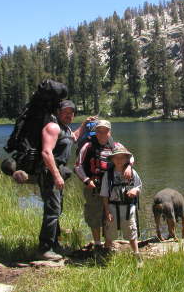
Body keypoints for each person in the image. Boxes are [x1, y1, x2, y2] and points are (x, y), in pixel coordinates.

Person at [38, 99, 95, 260]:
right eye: (65, 112)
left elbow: (74, 138)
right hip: (50, 174)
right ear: (58, 112)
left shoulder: (65, 129)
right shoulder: (53, 127)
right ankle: (45, 248)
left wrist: (84, 125)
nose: (69, 115)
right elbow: (46, 153)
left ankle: (54, 244)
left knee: (57, 209)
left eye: (71, 112)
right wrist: (56, 175)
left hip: (58, 173)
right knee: (52, 211)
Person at [74, 119, 133, 249]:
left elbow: (130, 156)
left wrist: (128, 166)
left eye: (105, 131)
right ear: (95, 132)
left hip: (111, 188)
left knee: (109, 214)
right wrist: (86, 180)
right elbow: (78, 166)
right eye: (99, 131)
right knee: (94, 214)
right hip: (93, 187)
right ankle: (97, 244)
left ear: (109, 132)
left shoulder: (116, 145)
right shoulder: (88, 146)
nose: (102, 134)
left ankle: (108, 242)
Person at [100, 146, 142, 258]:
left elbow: (139, 187)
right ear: (112, 159)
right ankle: (106, 254)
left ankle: (136, 254)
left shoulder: (132, 173)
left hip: (128, 209)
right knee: (109, 233)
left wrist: (134, 190)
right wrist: (107, 211)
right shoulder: (107, 175)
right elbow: (104, 195)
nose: (119, 160)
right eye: (116, 158)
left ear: (127, 159)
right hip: (112, 207)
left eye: (122, 158)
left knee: (131, 232)